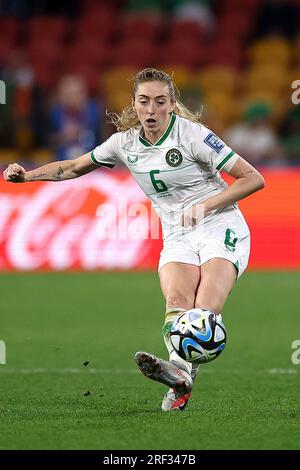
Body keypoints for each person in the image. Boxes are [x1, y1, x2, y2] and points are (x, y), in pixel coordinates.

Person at [3, 68, 265, 412]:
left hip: (220, 224)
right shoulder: (124, 144)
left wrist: (205, 205)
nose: (151, 109)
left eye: (159, 102)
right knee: (176, 301)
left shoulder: (193, 136)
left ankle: (181, 376)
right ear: (135, 105)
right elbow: (73, 168)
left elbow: (253, 178)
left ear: (172, 105)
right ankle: (180, 379)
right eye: (144, 102)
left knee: (204, 310)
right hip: (176, 233)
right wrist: (27, 176)